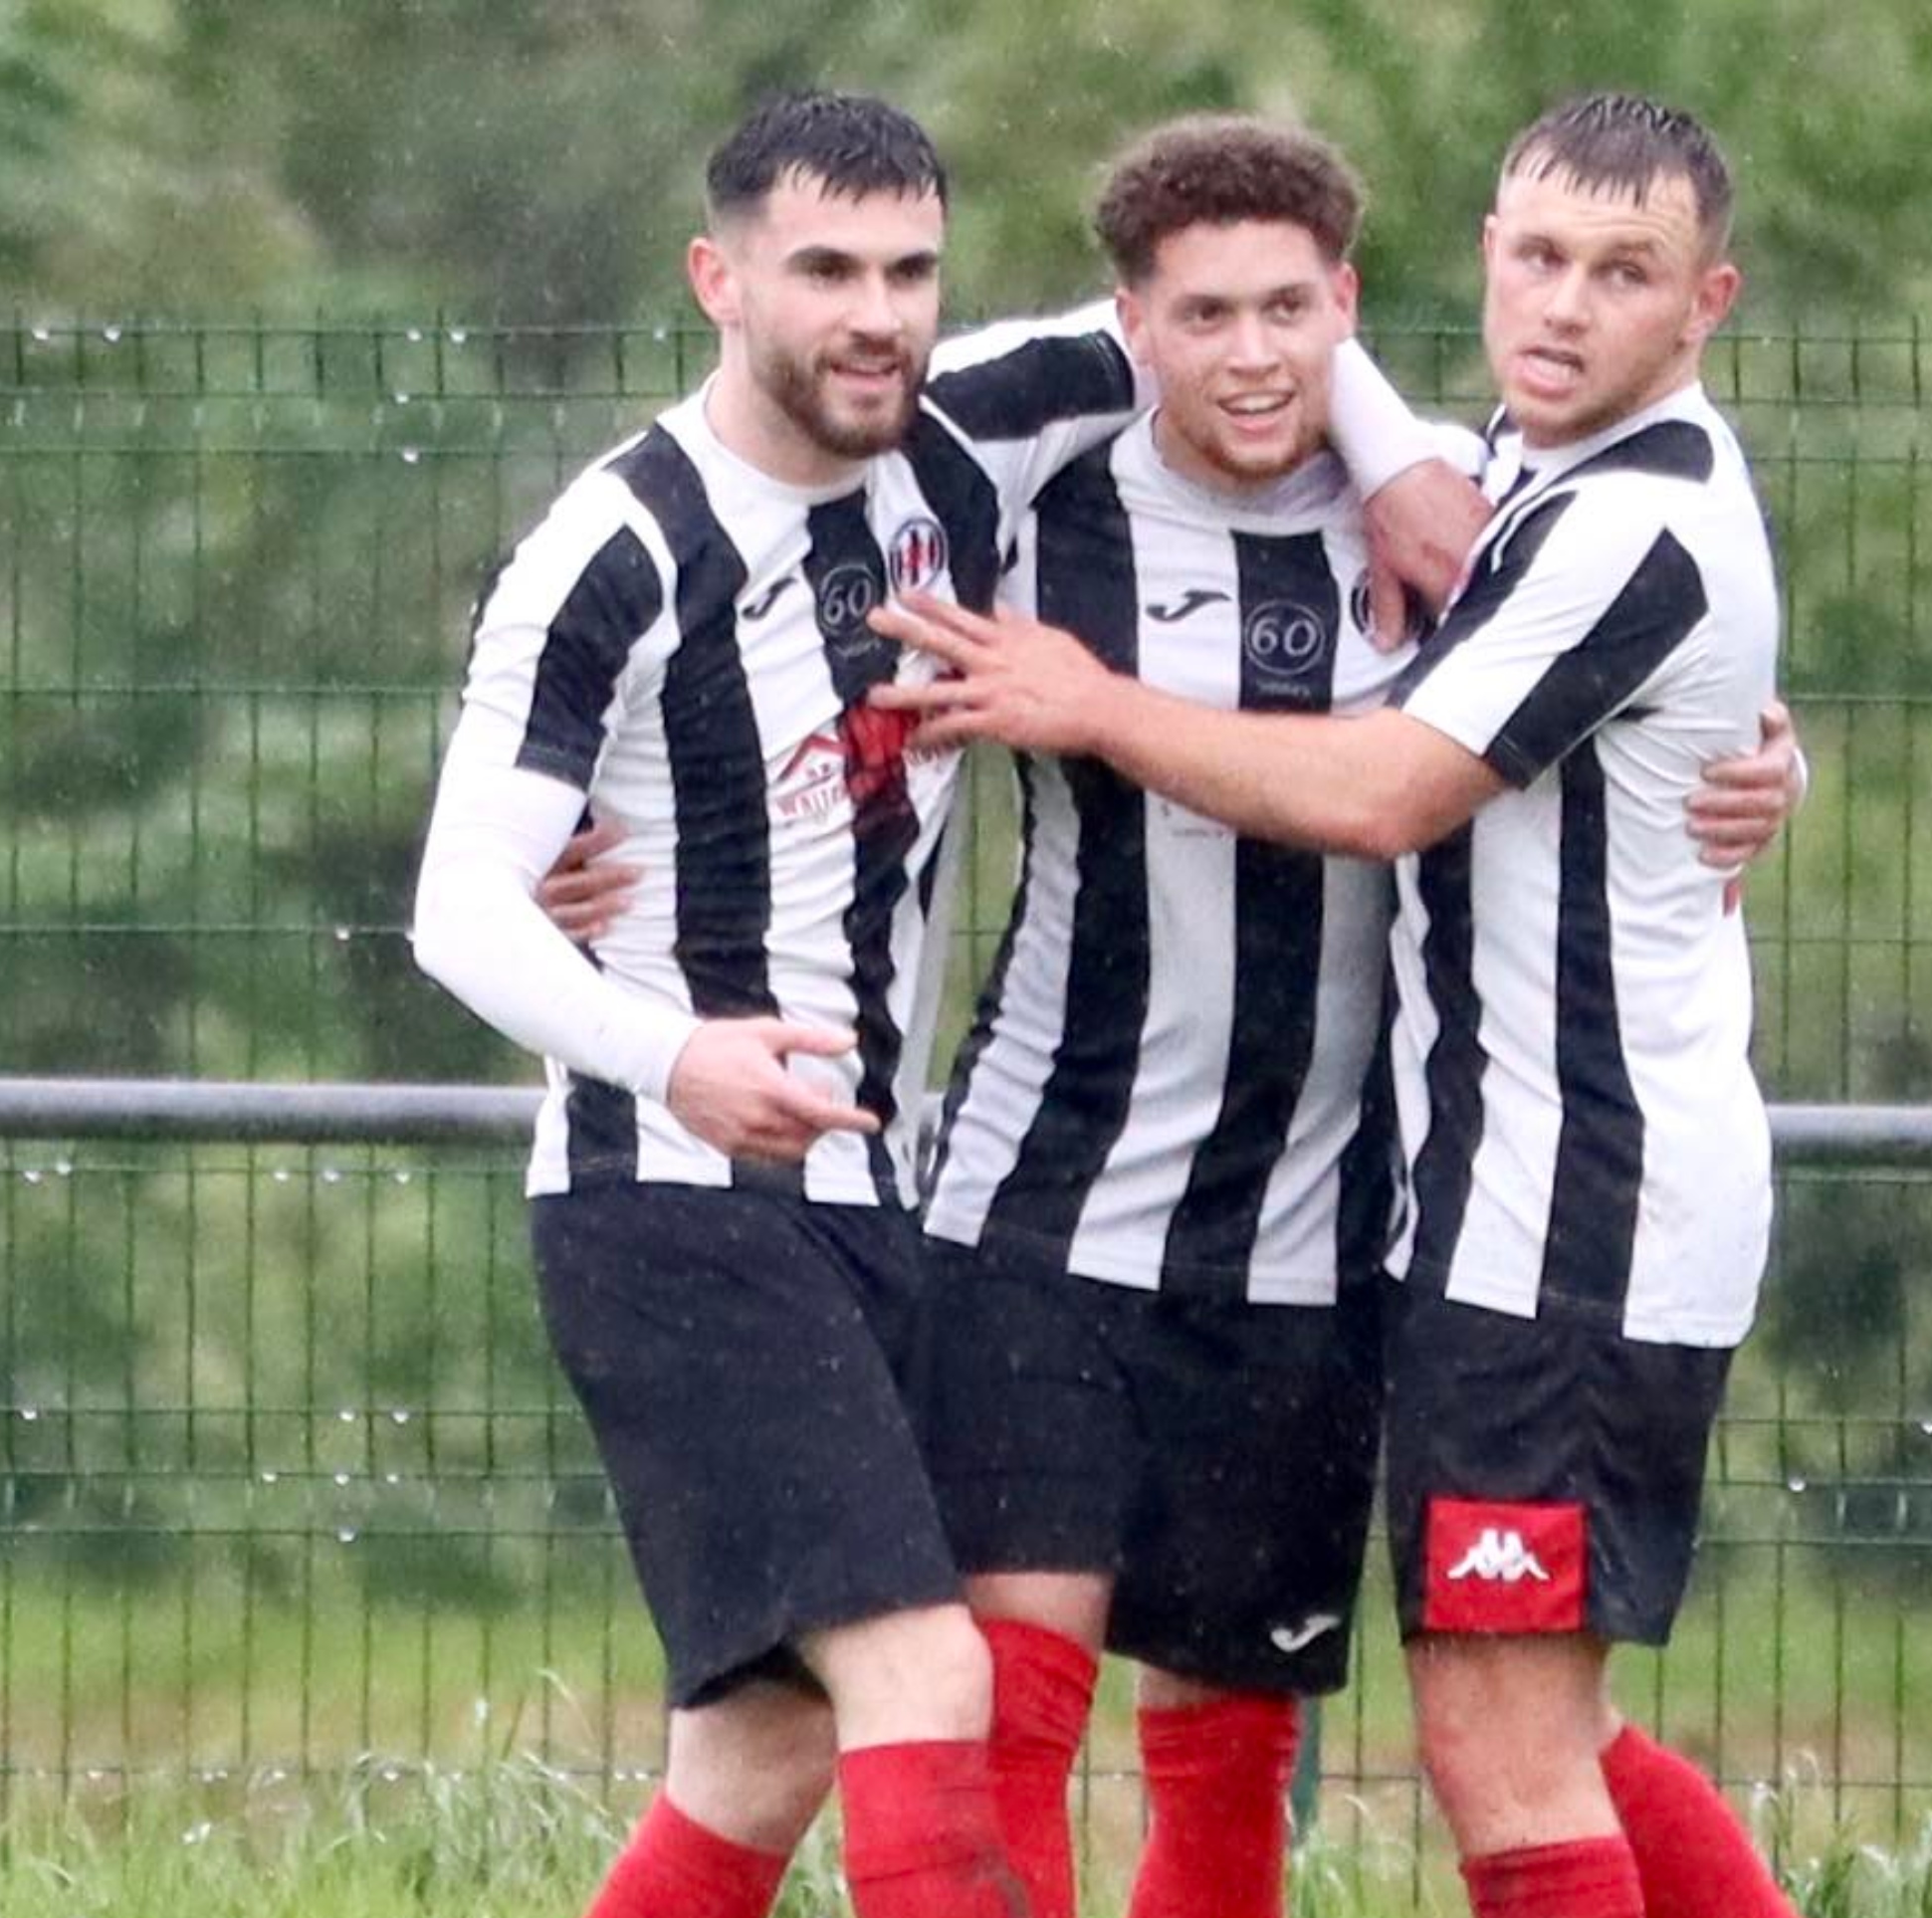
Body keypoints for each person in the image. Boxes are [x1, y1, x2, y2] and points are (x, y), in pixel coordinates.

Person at [415, 90, 1485, 1918]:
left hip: (860, 1199)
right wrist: (669, 1042)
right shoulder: (619, 543)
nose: (876, 314)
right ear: (716, 279)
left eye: (909, 271)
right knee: (933, 1681)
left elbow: (1237, 306)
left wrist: (1396, 465)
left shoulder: (955, 457)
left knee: (760, 1757)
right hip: (677, 1193)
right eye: (824, 271)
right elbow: (453, 903)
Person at [868, 93, 1792, 1918]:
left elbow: (1396, 786)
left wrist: (1091, 701)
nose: (1566, 303)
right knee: (1475, 1731)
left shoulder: (1579, 512)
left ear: (1708, 302)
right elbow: (813, 433)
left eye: (1627, 272)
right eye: (1537, 257)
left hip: (1477, 1224)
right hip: (1066, 1190)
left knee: (1498, 1742)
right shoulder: (1484, 486)